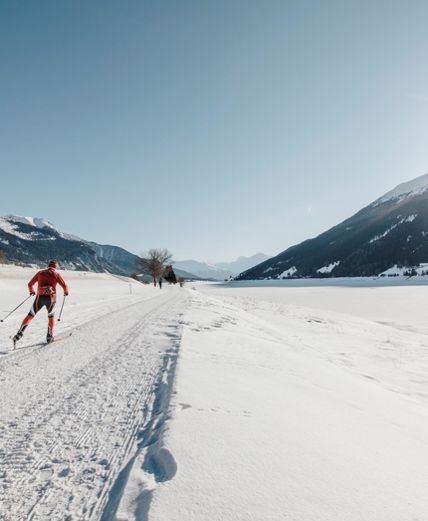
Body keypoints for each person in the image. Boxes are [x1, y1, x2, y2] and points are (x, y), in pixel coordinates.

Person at [13, 259, 69, 345]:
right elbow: (65, 286)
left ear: (48, 265)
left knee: (30, 315)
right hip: (51, 299)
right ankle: (49, 336)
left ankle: (19, 334)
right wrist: (66, 292)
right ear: (55, 266)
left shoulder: (40, 273)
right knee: (50, 317)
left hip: (40, 298)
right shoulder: (57, 274)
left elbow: (30, 284)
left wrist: (31, 291)